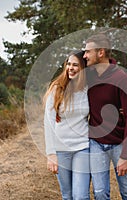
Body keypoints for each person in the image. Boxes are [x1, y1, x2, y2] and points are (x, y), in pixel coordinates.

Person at [83, 33, 127, 200]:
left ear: (100, 53)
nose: (84, 55)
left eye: (88, 51)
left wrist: (126, 156)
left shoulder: (121, 78)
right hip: (96, 142)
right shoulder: (88, 75)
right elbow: (71, 67)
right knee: (99, 193)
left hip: (118, 143)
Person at [43, 50, 90, 200]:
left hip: (82, 147)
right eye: (68, 64)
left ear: (83, 69)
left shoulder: (88, 89)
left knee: (81, 196)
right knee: (67, 195)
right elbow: (48, 122)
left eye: (75, 65)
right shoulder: (57, 89)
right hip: (61, 150)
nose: (70, 67)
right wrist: (51, 154)